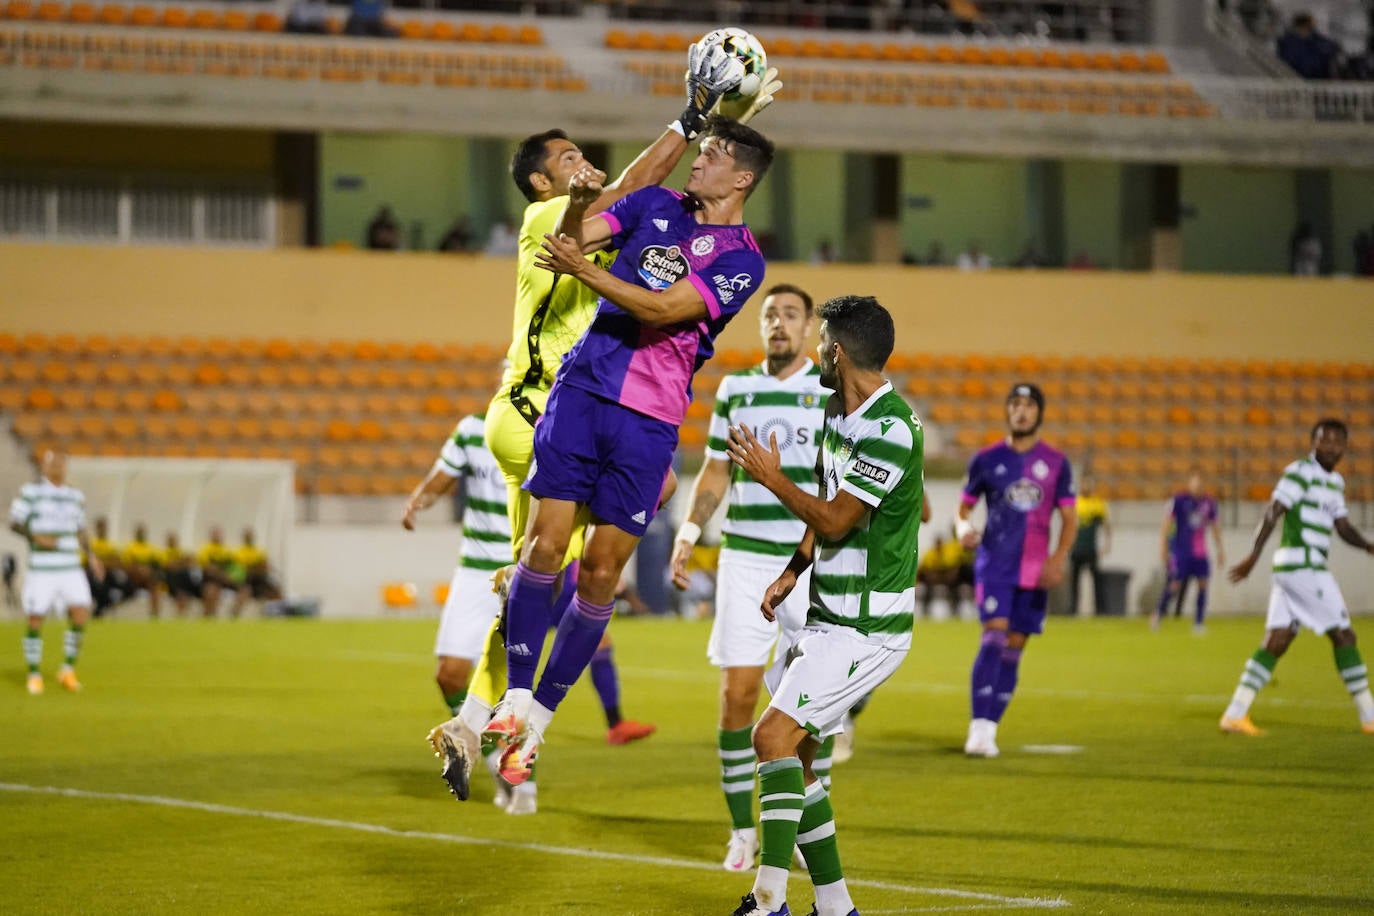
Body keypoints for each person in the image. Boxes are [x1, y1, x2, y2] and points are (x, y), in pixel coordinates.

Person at [424, 40, 769, 801]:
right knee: (544, 546)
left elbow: (665, 308)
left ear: (740, 179)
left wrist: (588, 271)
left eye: (710, 155)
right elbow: (581, 232)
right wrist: (585, 216)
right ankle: (511, 704)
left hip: (650, 420)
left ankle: (529, 723)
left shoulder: (744, 258)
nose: (697, 163)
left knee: (603, 572)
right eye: (699, 151)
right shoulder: (651, 206)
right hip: (579, 393)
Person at [723, 294, 923, 916]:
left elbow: (837, 519)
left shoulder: (892, 429)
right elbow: (825, 502)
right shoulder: (838, 412)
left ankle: (769, 899)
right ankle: (835, 907)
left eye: (821, 343)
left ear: (837, 351)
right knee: (798, 760)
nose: (814, 352)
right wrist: (791, 571)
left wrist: (769, 478)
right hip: (829, 616)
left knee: (770, 737)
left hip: (870, 629)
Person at [667, 283, 829, 873]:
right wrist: (688, 533)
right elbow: (714, 470)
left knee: (809, 707)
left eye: (790, 314)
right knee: (737, 695)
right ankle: (743, 829)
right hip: (742, 558)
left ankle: (810, 831)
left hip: (809, 563)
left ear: (810, 326)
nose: (778, 323)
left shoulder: (829, 390)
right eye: (769, 315)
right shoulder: (736, 388)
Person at [1221, 418, 1374, 736]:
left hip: (1295, 570)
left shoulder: (1335, 483)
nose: (1330, 447)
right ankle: (1369, 716)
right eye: (1323, 440)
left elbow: (1342, 527)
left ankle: (1235, 714)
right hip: (1303, 567)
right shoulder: (1300, 472)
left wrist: (1367, 546)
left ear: (1345, 447)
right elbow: (1274, 510)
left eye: (1336, 442)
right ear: (1312, 443)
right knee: (1344, 636)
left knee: (1277, 640)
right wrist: (1253, 555)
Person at [956, 383, 1077, 758]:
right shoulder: (986, 459)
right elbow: (963, 509)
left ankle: (990, 729)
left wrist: (1058, 559)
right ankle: (977, 728)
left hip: (1035, 571)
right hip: (994, 564)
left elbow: (1070, 517)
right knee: (993, 638)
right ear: (1007, 411)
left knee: (1013, 649)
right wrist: (963, 529)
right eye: (1015, 404)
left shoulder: (1057, 463)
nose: (1021, 411)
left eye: (1028, 405)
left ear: (1039, 413)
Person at [8, 450, 102, 695]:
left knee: (81, 613)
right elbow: (15, 522)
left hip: (70, 566)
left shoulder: (74, 496)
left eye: (61, 463)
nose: (57, 467)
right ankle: (34, 673)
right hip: (42, 567)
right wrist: (36, 536)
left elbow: (80, 528)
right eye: (52, 463)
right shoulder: (31, 492)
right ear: (44, 467)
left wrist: (91, 556)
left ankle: (67, 670)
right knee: (36, 617)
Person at [1151, 469, 1224, 633]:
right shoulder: (1178, 500)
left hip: (1200, 553)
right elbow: (1166, 524)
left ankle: (1198, 623)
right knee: (1174, 585)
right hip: (1180, 551)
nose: (1197, 485)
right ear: (1189, 483)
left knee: (1203, 585)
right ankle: (1158, 614)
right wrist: (1163, 546)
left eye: (1199, 482)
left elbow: (1215, 527)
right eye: (1194, 482)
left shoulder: (1209, 503)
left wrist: (1220, 550)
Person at [1070, 475, 1111, 617]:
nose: (1085, 487)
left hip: (1091, 549)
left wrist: (1106, 545)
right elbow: (1069, 525)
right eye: (1083, 484)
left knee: (1097, 581)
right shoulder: (1074, 503)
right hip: (1076, 548)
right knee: (1074, 582)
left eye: (1088, 484)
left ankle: (1101, 610)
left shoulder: (1098, 503)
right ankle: (1072, 610)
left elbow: (1106, 526)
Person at [235, 528, 283, 614]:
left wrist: (256, 566)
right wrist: (257, 565)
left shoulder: (259, 550)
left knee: (276, 591)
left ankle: (279, 614)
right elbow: (245, 568)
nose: (249, 538)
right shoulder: (239, 551)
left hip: (261, 579)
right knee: (243, 592)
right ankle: (235, 615)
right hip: (247, 580)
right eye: (247, 536)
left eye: (250, 536)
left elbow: (266, 566)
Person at [121, 522, 163, 619]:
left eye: (142, 532)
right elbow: (127, 564)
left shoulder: (151, 548)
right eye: (139, 532)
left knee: (155, 585)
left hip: (147, 580)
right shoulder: (130, 547)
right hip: (132, 579)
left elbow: (157, 564)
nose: (141, 534)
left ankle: (154, 613)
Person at [196, 526, 238, 618]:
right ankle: (208, 615)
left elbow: (235, 568)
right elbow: (208, 569)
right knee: (212, 589)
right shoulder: (205, 548)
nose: (217, 536)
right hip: (210, 580)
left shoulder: (227, 550)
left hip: (225, 582)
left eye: (218, 534)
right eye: (215, 534)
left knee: (245, 589)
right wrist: (225, 576)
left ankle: (234, 615)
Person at [159, 531, 200, 618]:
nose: (173, 541)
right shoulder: (163, 553)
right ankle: (180, 614)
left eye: (174, 539)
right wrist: (182, 562)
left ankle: (182, 614)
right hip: (168, 582)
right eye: (171, 540)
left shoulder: (180, 552)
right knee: (181, 592)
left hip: (182, 583)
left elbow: (192, 563)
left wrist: (181, 563)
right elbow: (169, 566)